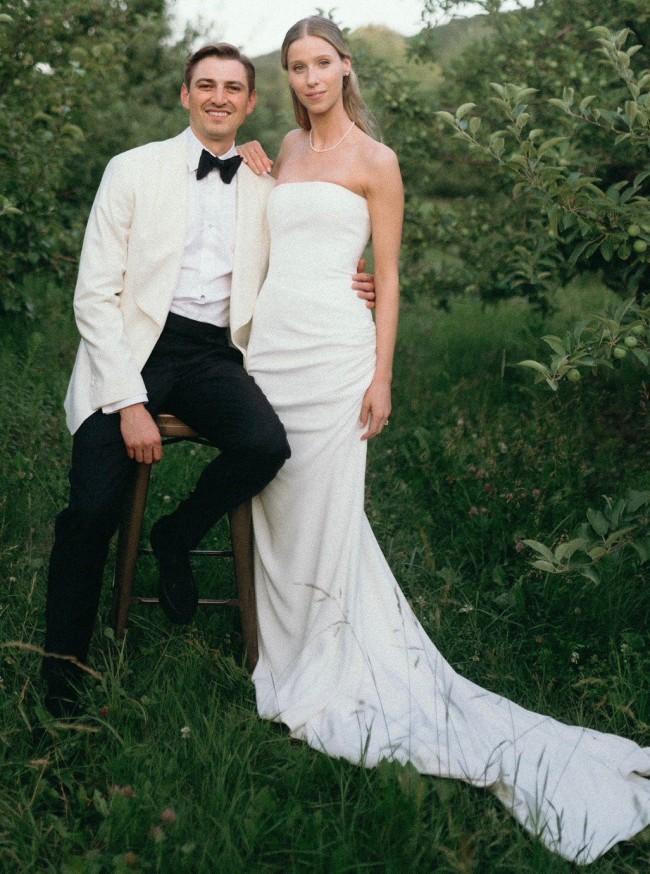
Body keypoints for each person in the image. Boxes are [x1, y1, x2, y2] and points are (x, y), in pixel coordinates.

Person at [238, 16, 650, 865]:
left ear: (346, 67)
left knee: (327, 504)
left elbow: (388, 277)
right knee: (276, 499)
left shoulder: (377, 161)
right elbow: (273, 237)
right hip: (272, 348)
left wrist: (381, 376)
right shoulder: (285, 146)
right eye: (296, 66)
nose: (310, 78)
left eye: (321, 63)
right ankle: (281, 642)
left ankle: (330, 654)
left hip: (336, 354)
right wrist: (255, 174)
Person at [42, 42, 376, 719]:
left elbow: (306, 253)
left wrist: (353, 280)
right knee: (92, 512)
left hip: (213, 355)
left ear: (250, 103)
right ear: (185, 95)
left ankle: (178, 532)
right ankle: (62, 677)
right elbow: (94, 296)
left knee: (265, 446)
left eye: (233, 87)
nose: (219, 97)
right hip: (130, 349)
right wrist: (128, 400)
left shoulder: (267, 185)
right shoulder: (131, 169)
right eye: (205, 85)